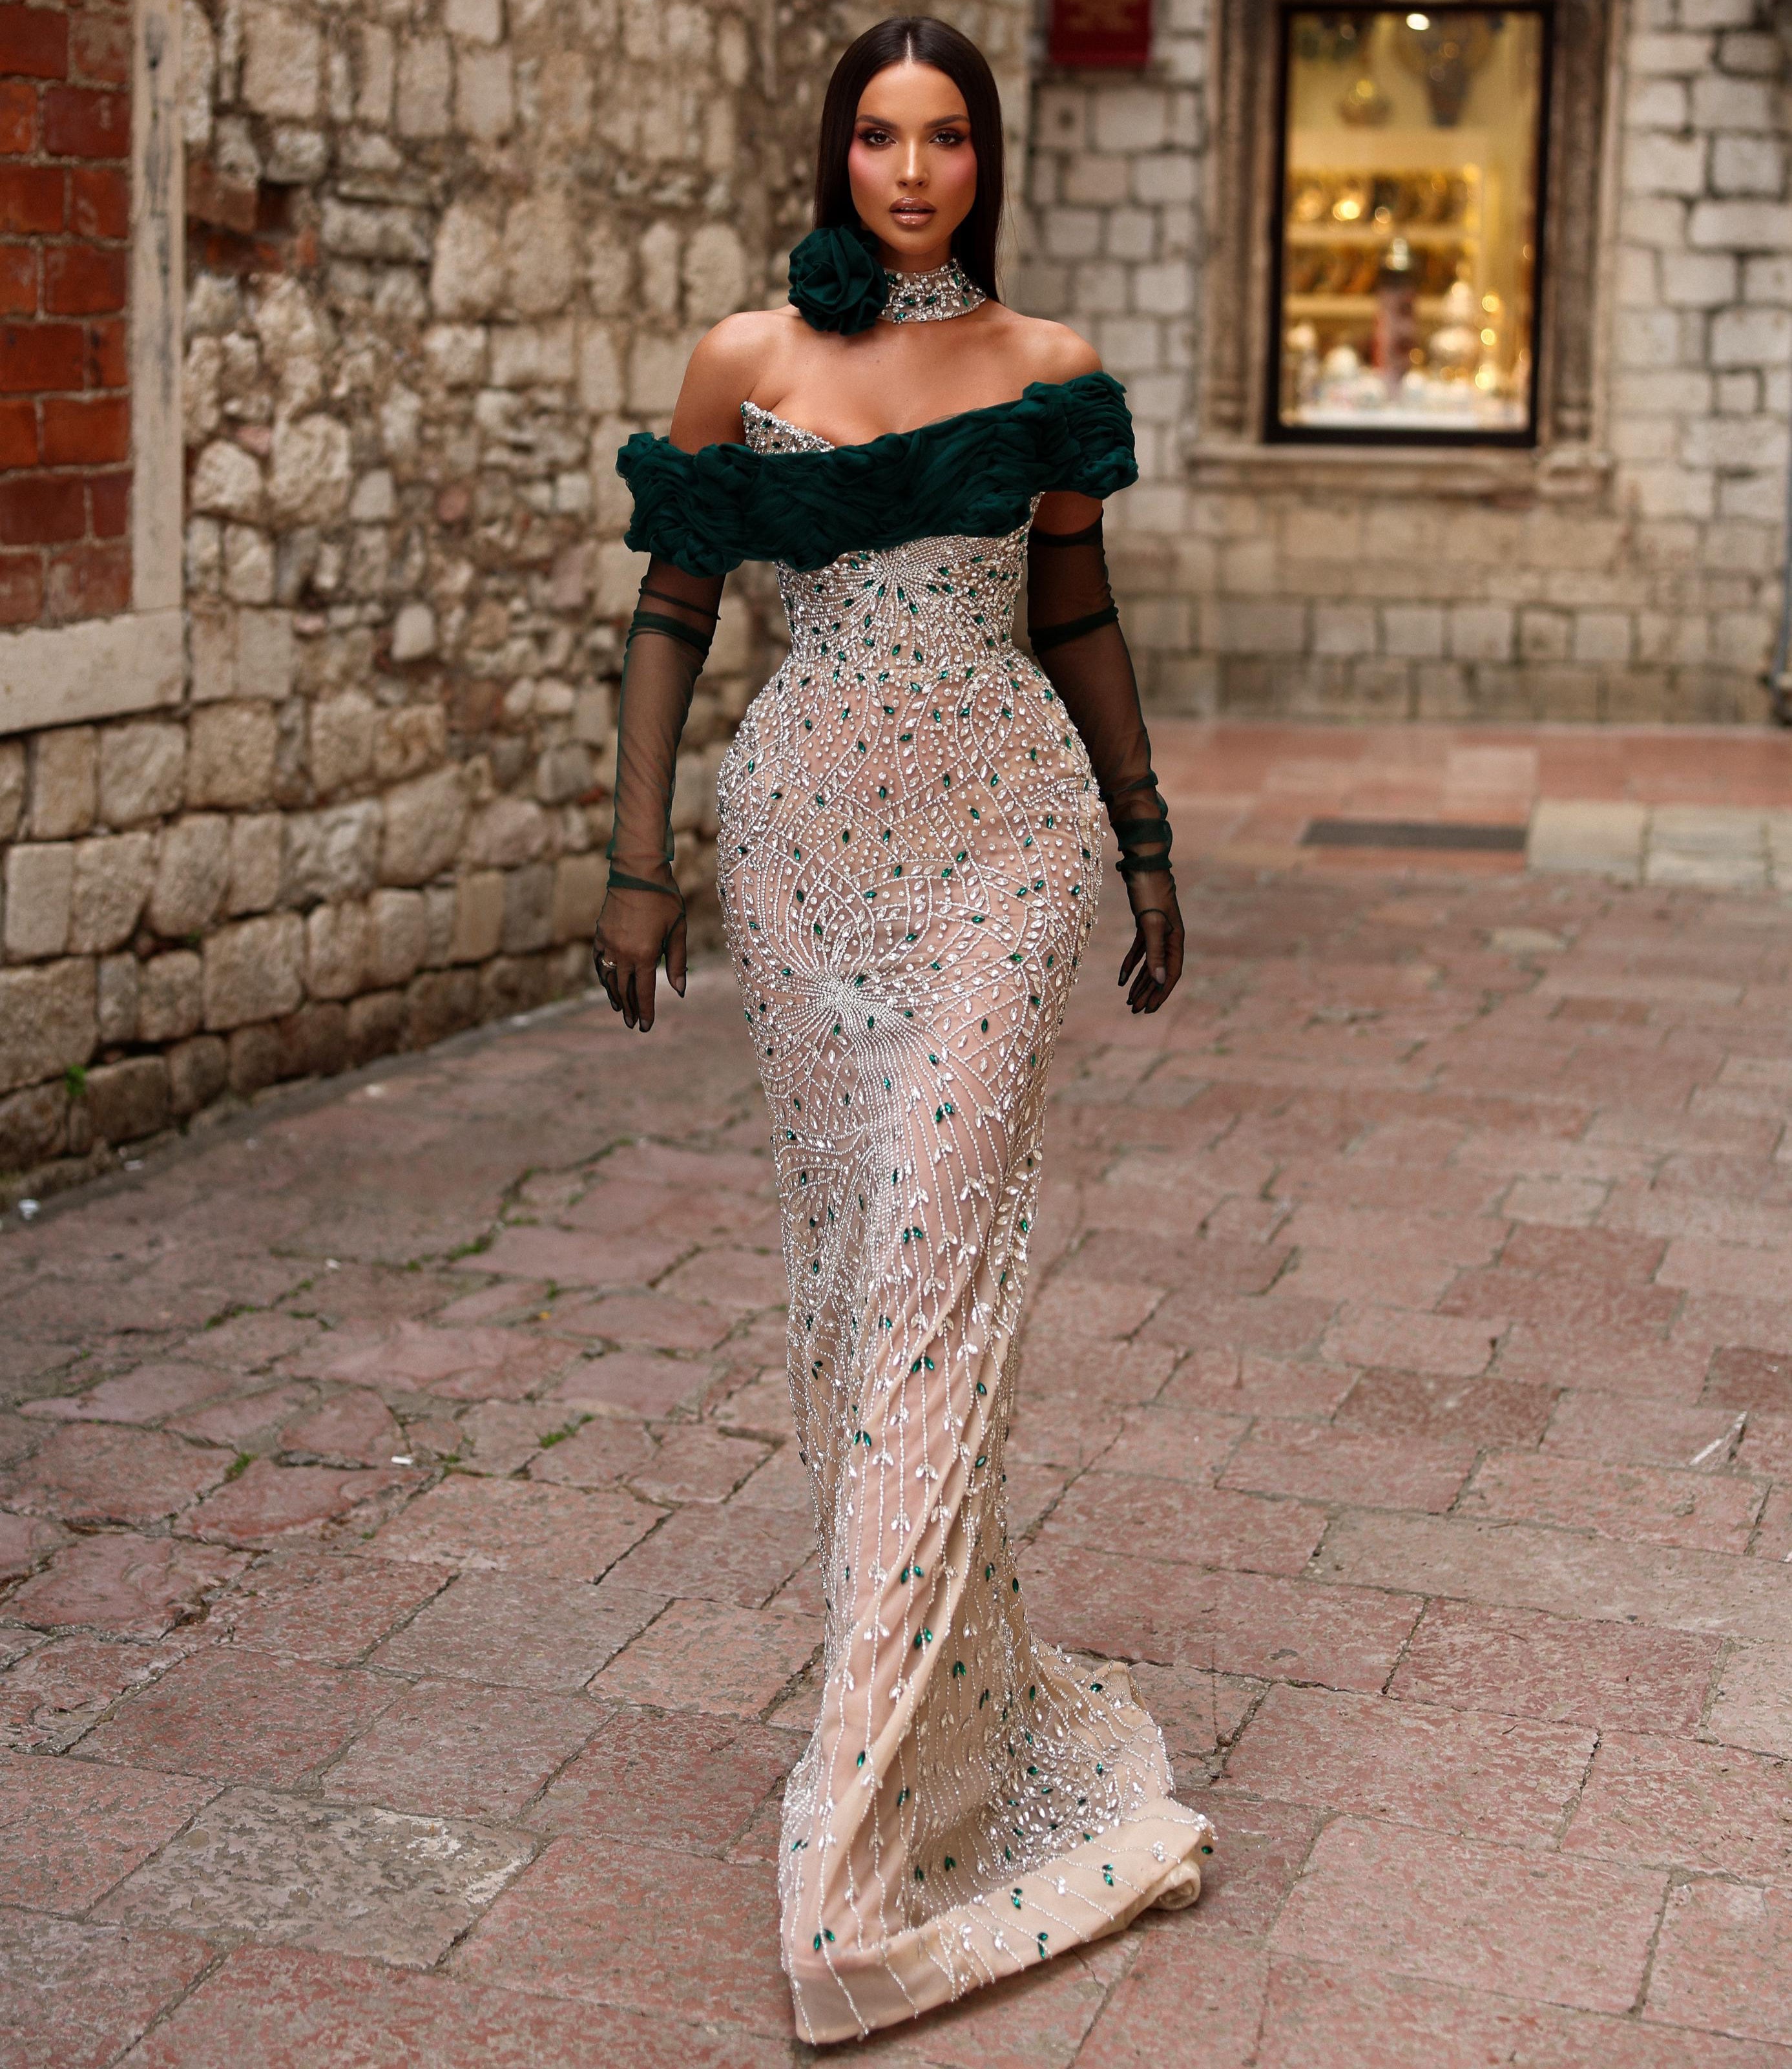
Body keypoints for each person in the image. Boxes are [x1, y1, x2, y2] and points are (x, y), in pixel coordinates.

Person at [594, 15, 1213, 2043]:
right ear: (838, 152)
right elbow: (673, 614)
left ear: (987, 156)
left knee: (945, 1259)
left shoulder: (1047, 374)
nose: (917, 167)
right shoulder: (746, 360)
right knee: (863, 1283)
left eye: (950, 134)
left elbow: (1081, 615)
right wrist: (634, 863)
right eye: (883, 133)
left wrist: (1142, 840)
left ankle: (859, 1850)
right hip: (805, 851)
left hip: (1002, 847)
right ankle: (948, 1698)